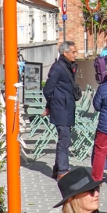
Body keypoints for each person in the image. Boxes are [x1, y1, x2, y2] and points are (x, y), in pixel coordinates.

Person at [43, 41, 80, 180]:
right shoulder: (58, 67)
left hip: (66, 108)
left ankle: (57, 169)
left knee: (63, 139)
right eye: (73, 52)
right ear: (65, 53)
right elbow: (47, 89)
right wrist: (53, 104)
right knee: (65, 140)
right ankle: (63, 171)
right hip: (61, 109)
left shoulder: (67, 66)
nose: (75, 55)